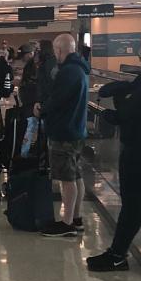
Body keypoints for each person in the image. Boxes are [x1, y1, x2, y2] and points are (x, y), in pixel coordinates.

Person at [88, 25, 141, 271]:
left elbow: (135, 109)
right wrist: (125, 89)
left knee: (133, 201)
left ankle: (117, 255)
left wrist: (116, 111)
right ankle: (117, 252)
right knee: (132, 200)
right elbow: (139, 94)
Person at [37, 34, 89, 238]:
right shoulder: (81, 69)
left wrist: (41, 110)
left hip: (64, 131)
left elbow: (56, 100)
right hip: (76, 130)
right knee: (76, 175)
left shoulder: (68, 72)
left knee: (66, 179)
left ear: (60, 50)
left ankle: (67, 223)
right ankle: (76, 217)